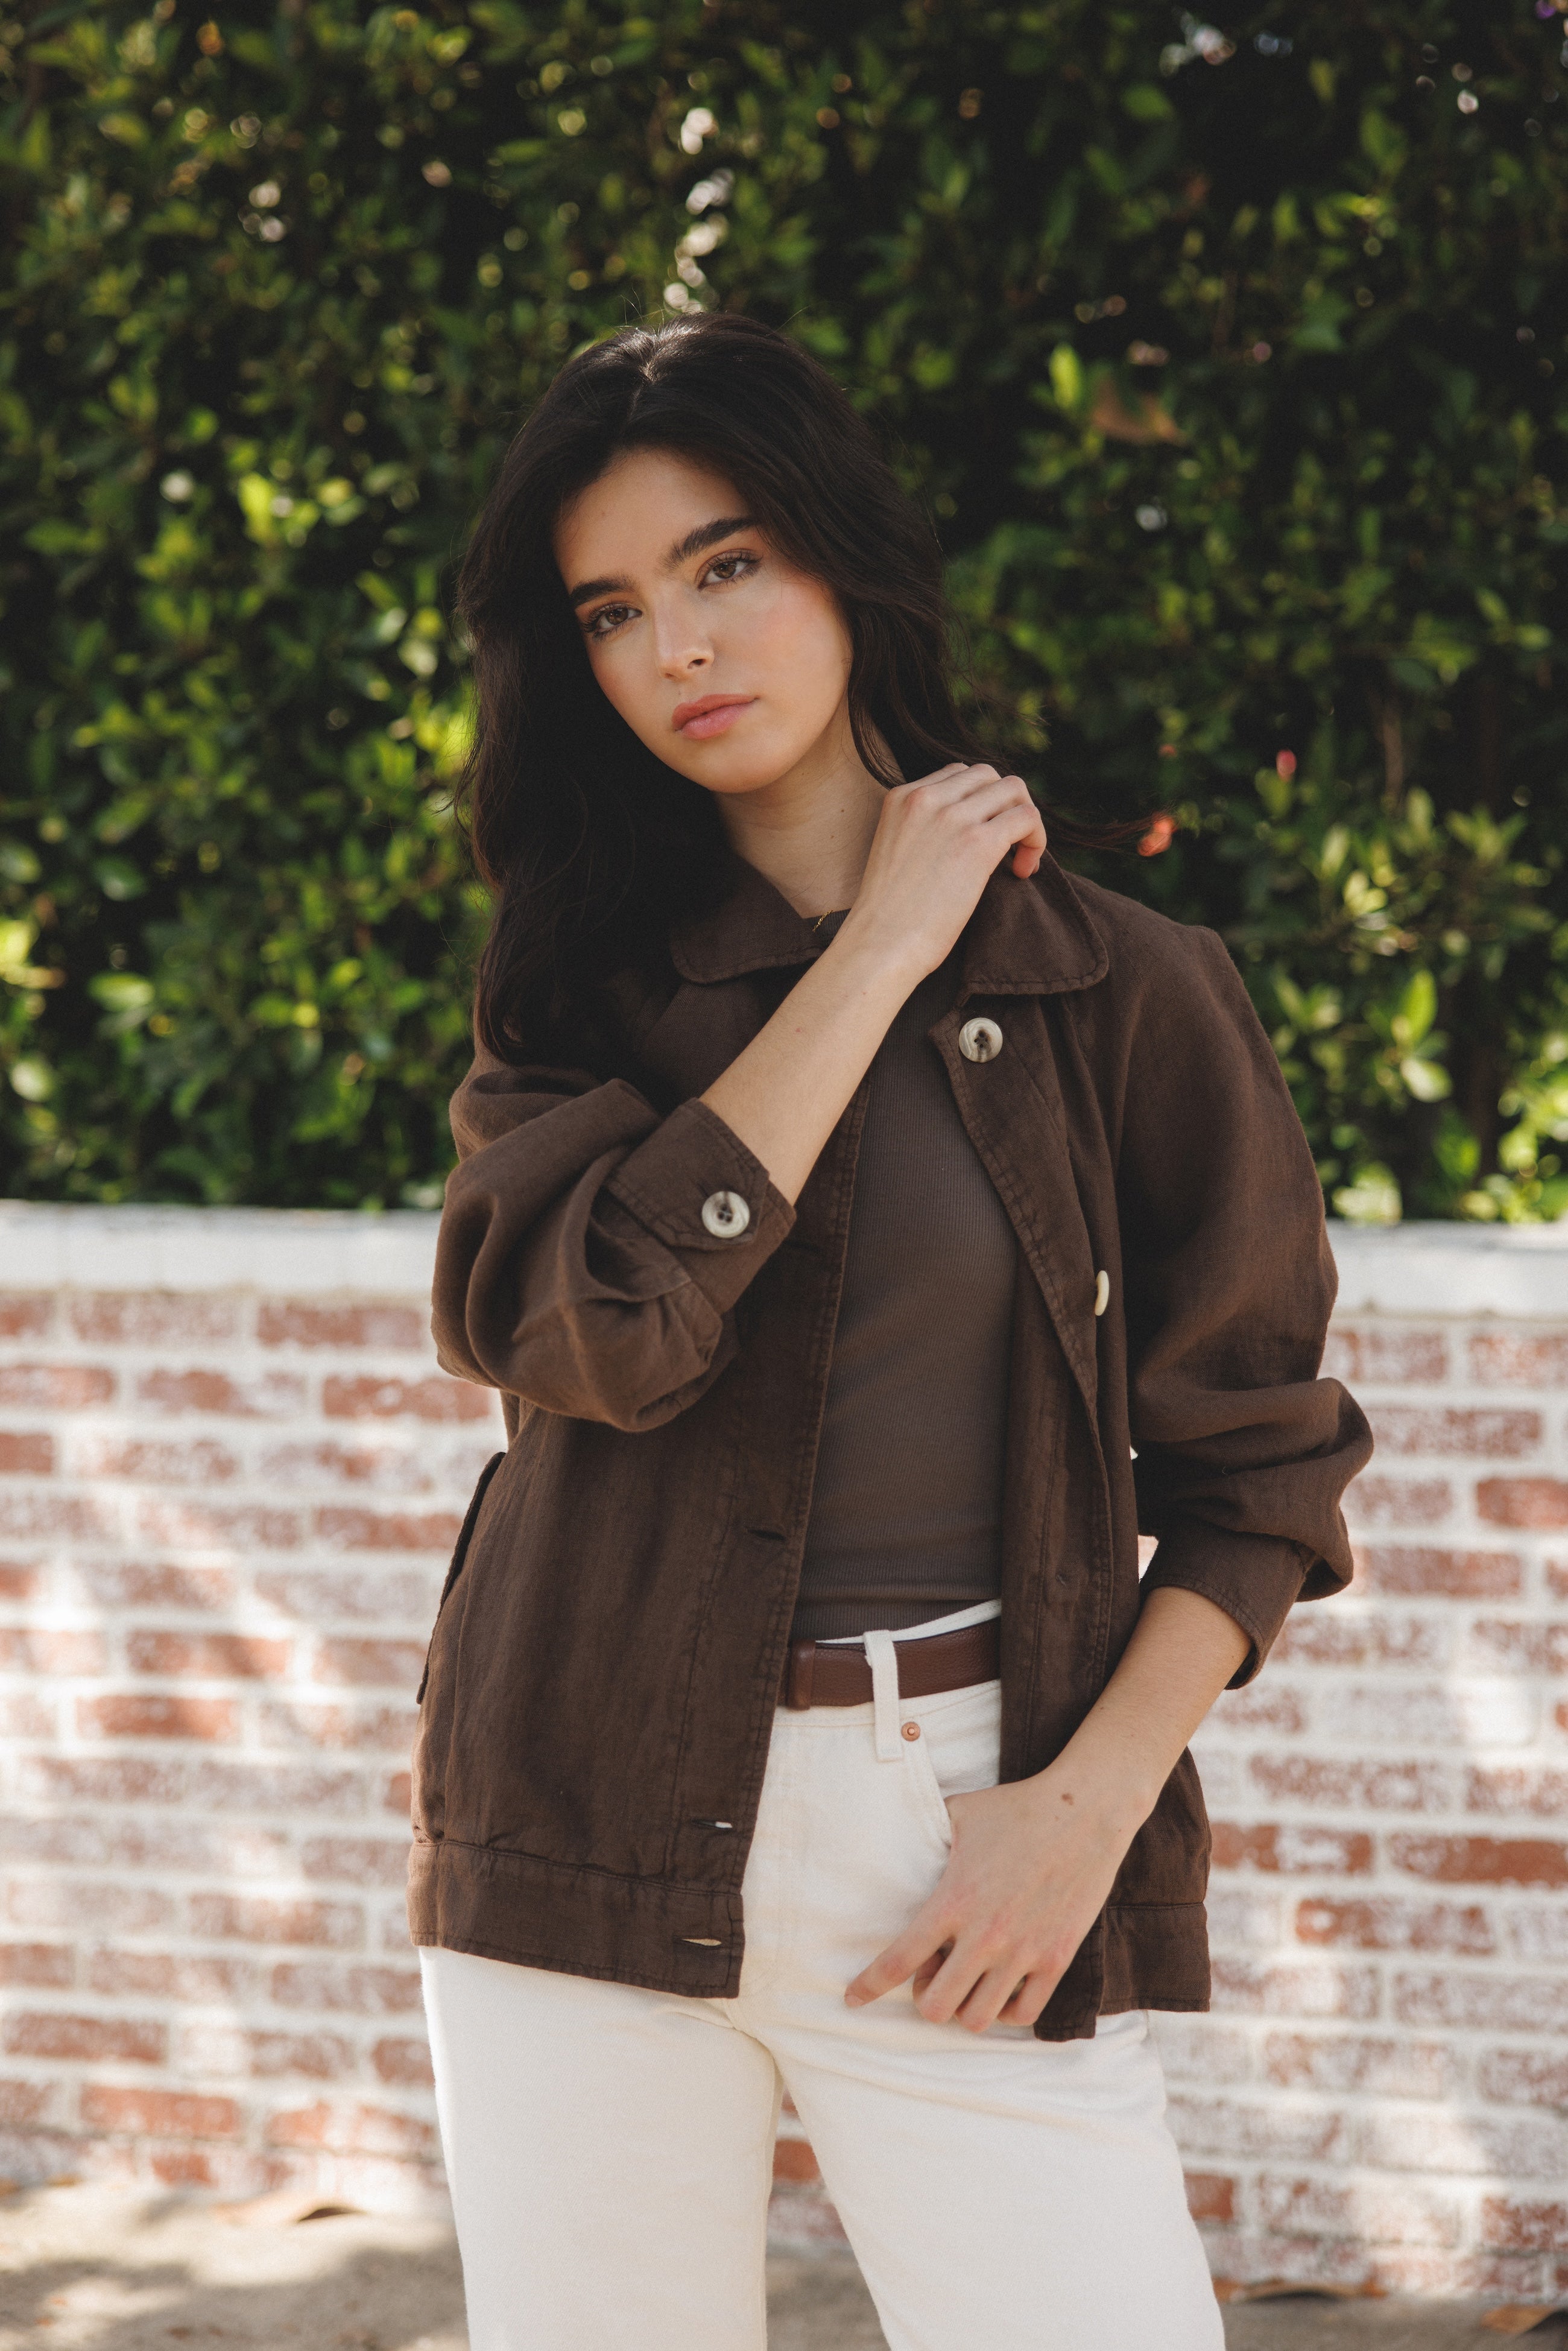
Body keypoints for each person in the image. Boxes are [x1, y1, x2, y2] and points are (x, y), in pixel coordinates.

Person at [410, 312, 1372, 2351]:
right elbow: (588, 1332)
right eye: (612, 608)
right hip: (581, 1815)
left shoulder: (1135, 990)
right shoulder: (579, 993)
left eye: (728, 562)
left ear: (842, 561)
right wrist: (882, 949)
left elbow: (1261, 1468)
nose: (678, 643)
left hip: (962, 1837)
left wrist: (1079, 1813)